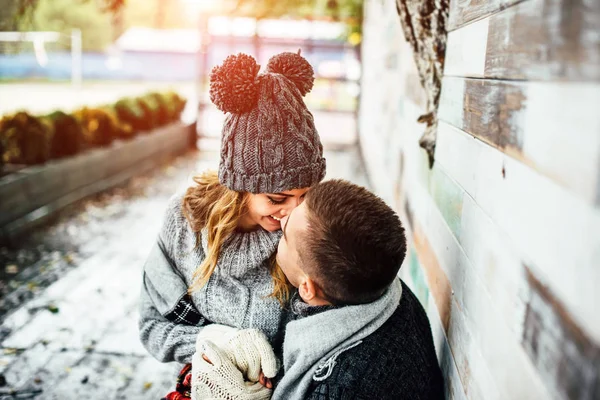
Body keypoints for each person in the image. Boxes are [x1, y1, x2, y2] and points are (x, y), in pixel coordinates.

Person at [137, 50, 326, 385]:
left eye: (305, 195)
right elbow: (152, 326)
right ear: (240, 187)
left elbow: (318, 341)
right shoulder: (183, 222)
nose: (294, 212)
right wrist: (215, 344)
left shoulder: (307, 235)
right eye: (277, 198)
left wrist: (270, 366)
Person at [193, 179, 445, 399]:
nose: (281, 225)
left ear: (307, 288)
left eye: (287, 238)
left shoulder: (339, 387)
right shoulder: (391, 290)